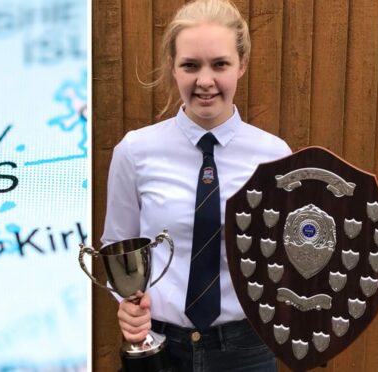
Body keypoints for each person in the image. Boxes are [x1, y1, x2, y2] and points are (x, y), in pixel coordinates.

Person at [101, 0, 292, 370]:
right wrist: (126, 305)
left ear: (242, 65)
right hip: (159, 348)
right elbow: (116, 246)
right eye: (191, 65)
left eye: (220, 64)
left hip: (247, 349)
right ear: (173, 67)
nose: (205, 81)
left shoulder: (274, 156)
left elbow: (289, 254)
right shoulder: (136, 151)